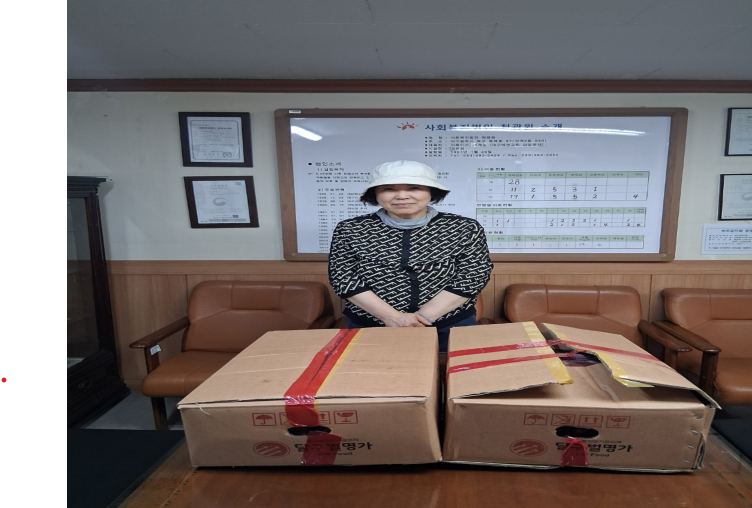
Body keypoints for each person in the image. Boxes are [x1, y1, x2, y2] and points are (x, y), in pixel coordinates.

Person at [328, 160, 493, 354]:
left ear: (431, 192)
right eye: (389, 189)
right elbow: (343, 277)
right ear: (375, 194)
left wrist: (423, 318)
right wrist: (391, 317)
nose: (402, 196)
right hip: (370, 325)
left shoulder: (464, 228)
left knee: (454, 372)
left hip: (451, 326)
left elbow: (474, 275)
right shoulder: (351, 229)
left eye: (414, 188)